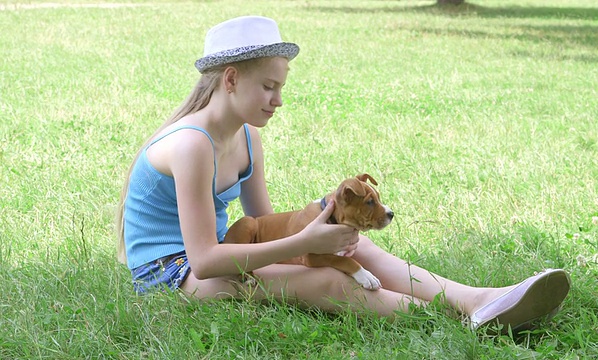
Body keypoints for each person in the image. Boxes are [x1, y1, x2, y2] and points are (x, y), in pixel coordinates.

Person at [115, 15, 570, 334]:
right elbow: (204, 259)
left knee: (357, 244)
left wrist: (321, 224)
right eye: (268, 87)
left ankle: (478, 298)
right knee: (332, 282)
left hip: (224, 255)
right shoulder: (193, 144)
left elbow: (266, 226)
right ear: (230, 79)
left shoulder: (248, 137)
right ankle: (462, 318)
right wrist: (306, 245)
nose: (278, 100)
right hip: (176, 274)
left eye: (281, 88)